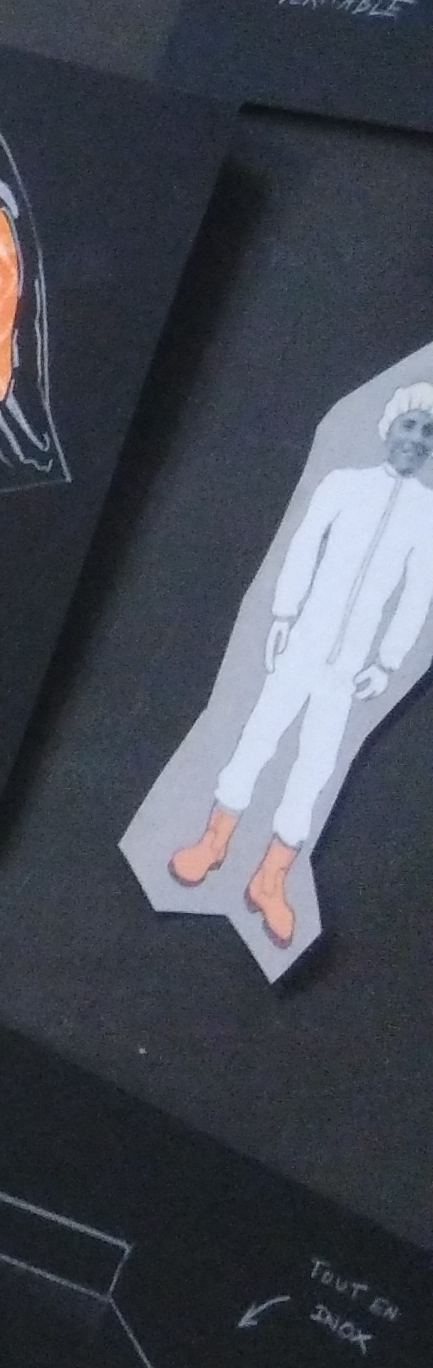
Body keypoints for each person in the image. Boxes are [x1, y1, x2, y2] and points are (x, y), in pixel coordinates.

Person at [172, 381, 433, 946]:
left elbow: (419, 594)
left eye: (429, 433)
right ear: (390, 428)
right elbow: (304, 545)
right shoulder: (344, 484)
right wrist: (285, 616)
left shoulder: (427, 514)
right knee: (258, 737)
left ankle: (271, 878)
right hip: (304, 642)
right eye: (410, 425)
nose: (417, 439)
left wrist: (387, 662)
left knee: (315, 766)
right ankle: (213, 842)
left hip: (350, 667)